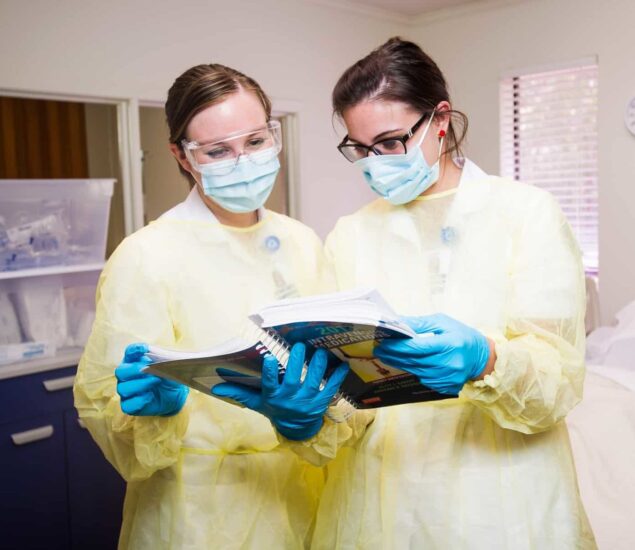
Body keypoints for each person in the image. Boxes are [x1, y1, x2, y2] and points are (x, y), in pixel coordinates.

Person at [216, 38, 597, 549]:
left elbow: (557, 386)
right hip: (381, 505)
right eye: (361, 148)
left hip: (504, 503)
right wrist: (307, 413)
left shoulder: (528, 214)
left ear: (440, 119)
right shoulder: (351, 234)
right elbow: (348, 401)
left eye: (392, 142)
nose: (377, 162)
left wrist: (487, 360)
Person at [73, 63, 336, 549]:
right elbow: (107, 412)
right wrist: (154, 415)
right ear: (182, 155)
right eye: (218, 151)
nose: (243, 161)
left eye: (256, 142)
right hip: (197, 513)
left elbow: (335, 372)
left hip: (305, 497)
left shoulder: (302, 242)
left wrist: (311, 416)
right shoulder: (146, 254)